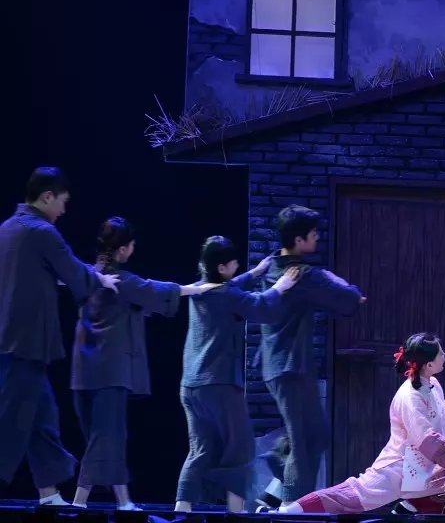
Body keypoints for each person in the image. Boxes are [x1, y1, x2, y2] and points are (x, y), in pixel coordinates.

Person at [69, 217, 221, 510]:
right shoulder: (122, 282)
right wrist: (198, 289)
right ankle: (79, 502)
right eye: (131, 245)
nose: (133, 249)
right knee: (105, 437)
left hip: (83, 370)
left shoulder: (87, 276)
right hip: (110, 372)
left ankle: (123, 500)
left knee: (110, 436)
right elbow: (155, 290)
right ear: (122, 249)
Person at [0, 167, 118, 505]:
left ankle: (48, 493)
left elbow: (48, 272)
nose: (64, 210)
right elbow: (72, 270)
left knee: (42, 418)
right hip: (24, 341)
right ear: (47, 196)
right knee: (11, 422)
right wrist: (101, 279)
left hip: (13, 339)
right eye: (62, 202)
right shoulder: (42, 232)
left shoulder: (8, 228)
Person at [274, 333, 445, 515]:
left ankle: (409, 507)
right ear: (429, 364)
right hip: (401, 466)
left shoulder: (433, 385)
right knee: (349, 498)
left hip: (427, 467)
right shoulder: (410, 396)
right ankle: (288, 513)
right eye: (441, 353)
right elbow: (426, 439)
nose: (444, 355)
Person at [174, 236, 302, 513]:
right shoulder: (228, 295)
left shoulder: (199, 290)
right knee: (240, 447)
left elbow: (230, 288)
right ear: (222, 268)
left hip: (191, 385)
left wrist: (255, 273)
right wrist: (280, 286)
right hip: (219, 383)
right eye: (233, 264)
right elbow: (260, 307)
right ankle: (236, 512)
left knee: (200, 450)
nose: (236, 267)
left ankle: (181, 510)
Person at [258, 205, 366, 504]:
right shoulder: (303, 274)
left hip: (281, 365)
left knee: (315, 434)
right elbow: (348, 299)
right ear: (299, 239)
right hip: (290, 367)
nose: (317, 237)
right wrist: (344, 285)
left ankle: (274, 488)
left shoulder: (272, 265)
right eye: (313, 233)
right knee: (305, 441)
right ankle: (291, 508)